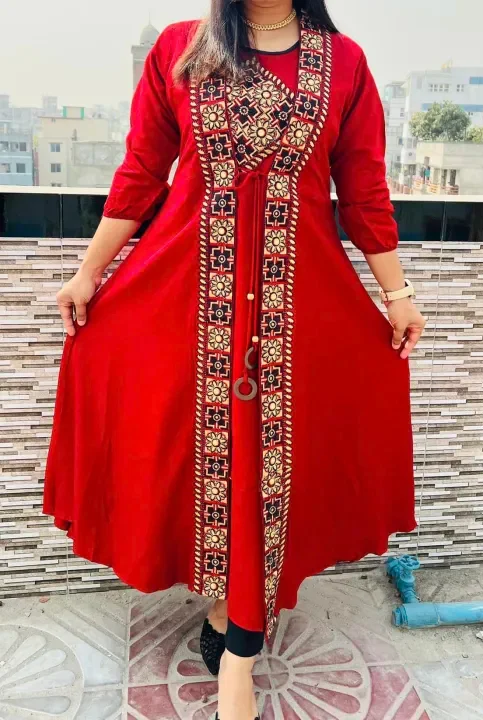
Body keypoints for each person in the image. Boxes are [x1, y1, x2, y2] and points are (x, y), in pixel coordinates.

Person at [44, 1, 426, 718]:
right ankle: (227, 611)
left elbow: (365, 192)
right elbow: (142, 171)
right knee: (211, 464)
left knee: (273, 466)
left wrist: (397, 294)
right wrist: (89, 273)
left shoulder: (344, 65)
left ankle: (239, 658)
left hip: (298, 307)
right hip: (189, 299)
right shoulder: (180, 50)